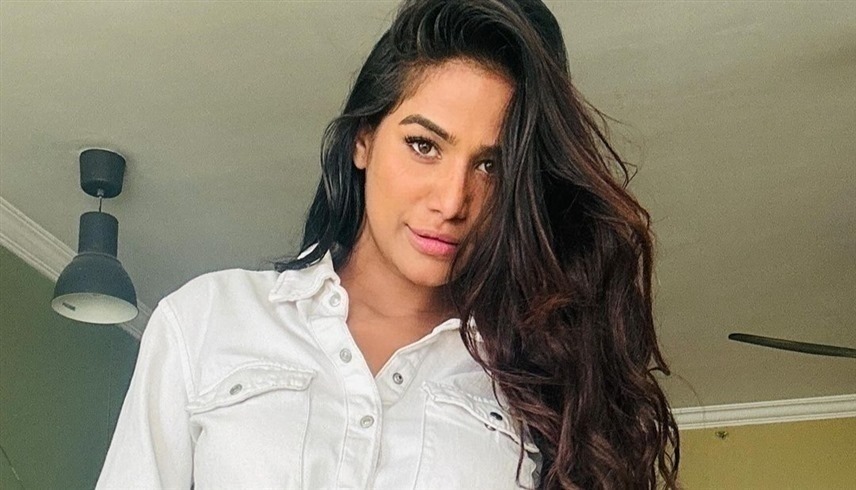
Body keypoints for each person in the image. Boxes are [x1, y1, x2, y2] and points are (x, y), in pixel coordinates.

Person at [97, 0, 680, 488]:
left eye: (491, 166)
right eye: (425, 145)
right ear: (364, 141)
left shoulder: (537, 384)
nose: (452, 200)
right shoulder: (206, 322)